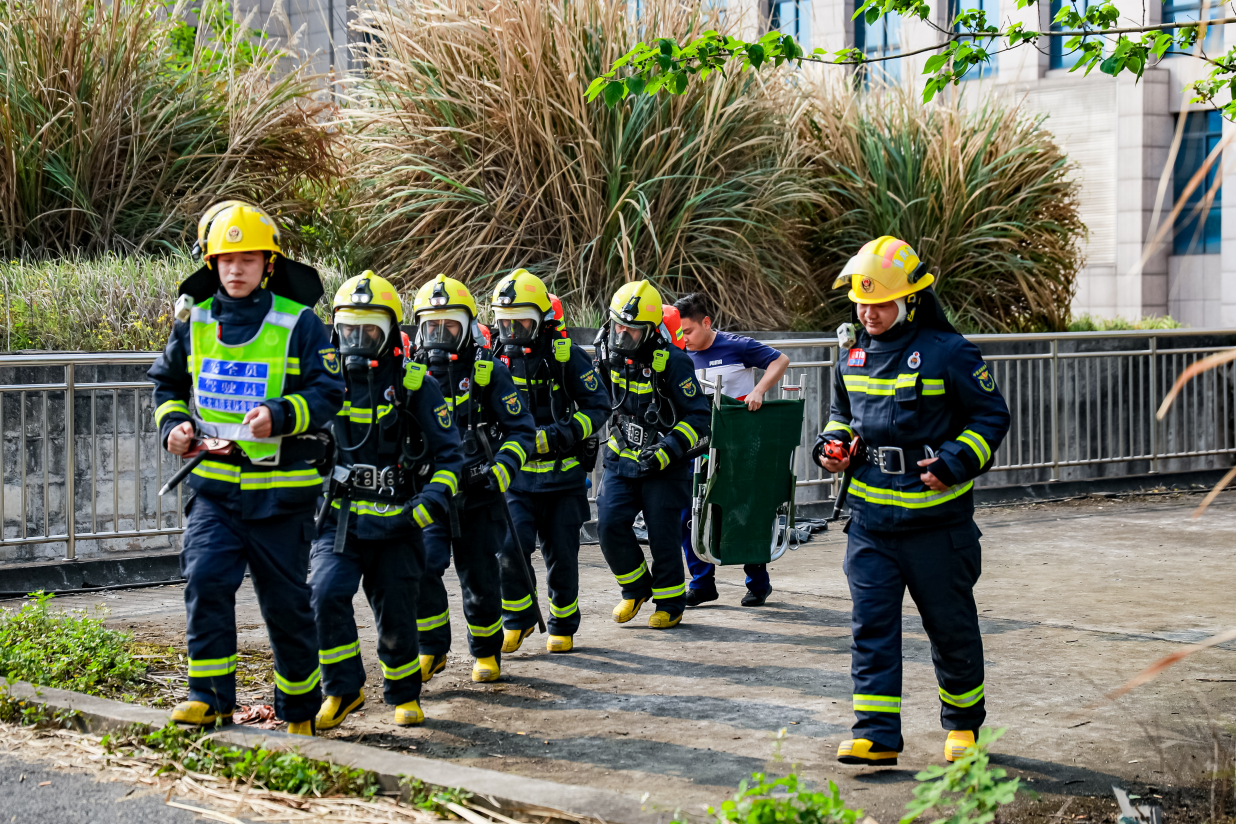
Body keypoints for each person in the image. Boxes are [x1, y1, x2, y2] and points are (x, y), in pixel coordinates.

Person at [812, 236, 1011, 766]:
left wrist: (956, 460)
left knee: (951, 629)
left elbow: (991, 416)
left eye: (879, 302)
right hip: (869, 525)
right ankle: (876, 735)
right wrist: (831, 446)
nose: (867, 313)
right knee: (871, 630)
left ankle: (964, 726)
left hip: (937, 527)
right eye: (861, 302)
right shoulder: (852, 355)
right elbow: (841, 414)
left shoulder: (950, 352)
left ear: (911, 300)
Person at [150, 201, 345, 736]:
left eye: (248, 259)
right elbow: (167, 385)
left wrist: (282, 415)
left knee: (286, 605)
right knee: (206, 581)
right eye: (226, 259)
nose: (236, 269)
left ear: (268, 264)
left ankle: (299, 712)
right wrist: (174, 427)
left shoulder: (300, 323)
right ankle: (208, 698)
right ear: (212, 263)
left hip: (281, 495)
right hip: (215, 490)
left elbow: (330, 391)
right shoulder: (195, 320)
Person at [308, 272, 466, 731]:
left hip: (399, 523)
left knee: (397, 613)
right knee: (324, 594)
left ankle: (403, 694)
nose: (357, 340)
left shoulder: (416, 385)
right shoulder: (322, 382)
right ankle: (343, 690)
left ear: (392, 332)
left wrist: (427, 506)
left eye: (369, 330)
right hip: (338, 522)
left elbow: (450, 457)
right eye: (349, 329)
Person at [410, 274, 536, 683]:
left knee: (479, 579)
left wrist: (503, 468)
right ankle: (431, 649)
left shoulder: (488, 372)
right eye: (431, 324)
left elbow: (522, 429)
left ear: (467, 326)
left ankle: (485, 652)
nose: (439, 332)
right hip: (430, 495)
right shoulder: (410, 375)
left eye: (449, 324)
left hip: (479, 495)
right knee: (422, 568)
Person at [490, 271, 610, 654]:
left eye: (521, 320)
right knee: (508, 549)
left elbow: (598, 406)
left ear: (541, 319)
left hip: (563, 480)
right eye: (504, 320)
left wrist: (560, 434)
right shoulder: (490, 359)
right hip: (515, 480)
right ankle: (518, 619)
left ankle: (561, 624)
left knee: (562, 558)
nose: (511, 329)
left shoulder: (566, 356)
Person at [595, 280, 710, 630]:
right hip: (621, 457)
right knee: (608, 524)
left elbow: (700, 418)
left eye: (631, 329)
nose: (622, 334)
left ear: (650, 330)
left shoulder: (673, 361)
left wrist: (668, 449)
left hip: (664, 465)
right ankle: (635, 589)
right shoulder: (607, 352)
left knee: (663, 536)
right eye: (618, 326)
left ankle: (670, 604)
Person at [673, 292, 790, 608]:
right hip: (695, 446)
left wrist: (758, 390)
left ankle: (758, 583)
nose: (684, 338)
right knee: (690, 512)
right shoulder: (679, 354)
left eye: (688, 331)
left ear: (706, 322)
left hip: (738, 444)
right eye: (679, 333)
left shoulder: (738, 346)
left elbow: (780, 360)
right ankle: (702, 584)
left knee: (743, 510)